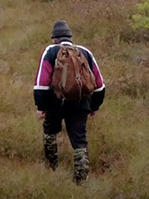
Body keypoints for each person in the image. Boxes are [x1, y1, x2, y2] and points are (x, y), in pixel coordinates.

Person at [33, 20, 105, 184]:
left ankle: (51, 168)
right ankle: (81, 179)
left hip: (55, 102)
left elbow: (41, 83)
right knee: (80, 139)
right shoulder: (85, 52)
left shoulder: (50, 51)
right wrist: (94, 106)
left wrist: (41, 107)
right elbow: (99, 84)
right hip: (81, 102)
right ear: (70, 37)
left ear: (54, 38)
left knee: (50, 133)